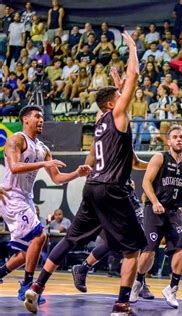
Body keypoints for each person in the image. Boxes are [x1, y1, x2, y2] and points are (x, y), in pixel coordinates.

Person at [23, 32, 146, 315]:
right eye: (121, 96)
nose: (125, 95)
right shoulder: (116, 115)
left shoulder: (101, 120)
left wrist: (117, 85)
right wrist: (131, 48)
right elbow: (135, 76)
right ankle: (122, 304)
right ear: (114, 104)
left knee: (70, 239)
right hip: (113, 188)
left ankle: (36, 287)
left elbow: (103, 155)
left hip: (92, 185)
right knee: (132, 249)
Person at [0, 105, 90, 304]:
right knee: (40, 235)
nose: (41, 120)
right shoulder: (17, 139)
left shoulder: (43, 148)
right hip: (11, 196)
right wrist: (43, 164)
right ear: (25, 119)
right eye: (37, 117)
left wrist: (77, 174)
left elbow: (57, 179)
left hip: (26, 198)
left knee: (27, 252)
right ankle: (27, 287)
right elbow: (14, 167)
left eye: (42, 117)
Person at [130, 125, 182, 308]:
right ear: (169, 141)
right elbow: (146, 181)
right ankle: (137, 283)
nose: (179, 139)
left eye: (181, 137)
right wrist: (155, 201)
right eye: (175, 137)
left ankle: (172, 288)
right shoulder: (160, 157)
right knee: (149, 250)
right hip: (154, 209)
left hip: (174, 211)